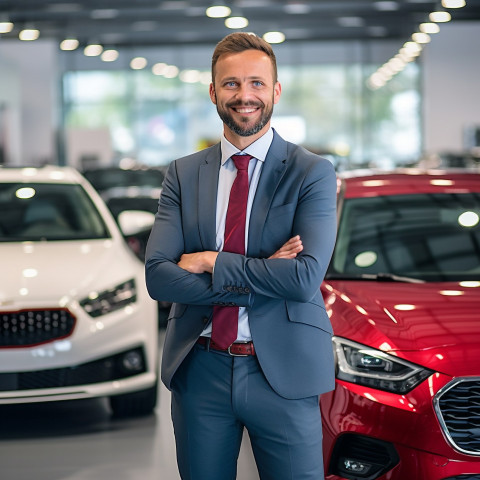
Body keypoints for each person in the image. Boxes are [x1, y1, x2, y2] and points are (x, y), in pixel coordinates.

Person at [145, 32, 337, 480]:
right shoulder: (183, 174)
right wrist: (267, 270)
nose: (244, 95)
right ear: (214, 92)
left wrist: (211, 260)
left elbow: (304, 279)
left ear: (275, 91)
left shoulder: (312, 172)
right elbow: (158, 277)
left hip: (284, 372)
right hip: (200, 368)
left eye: (256, 83)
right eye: (231, 84)